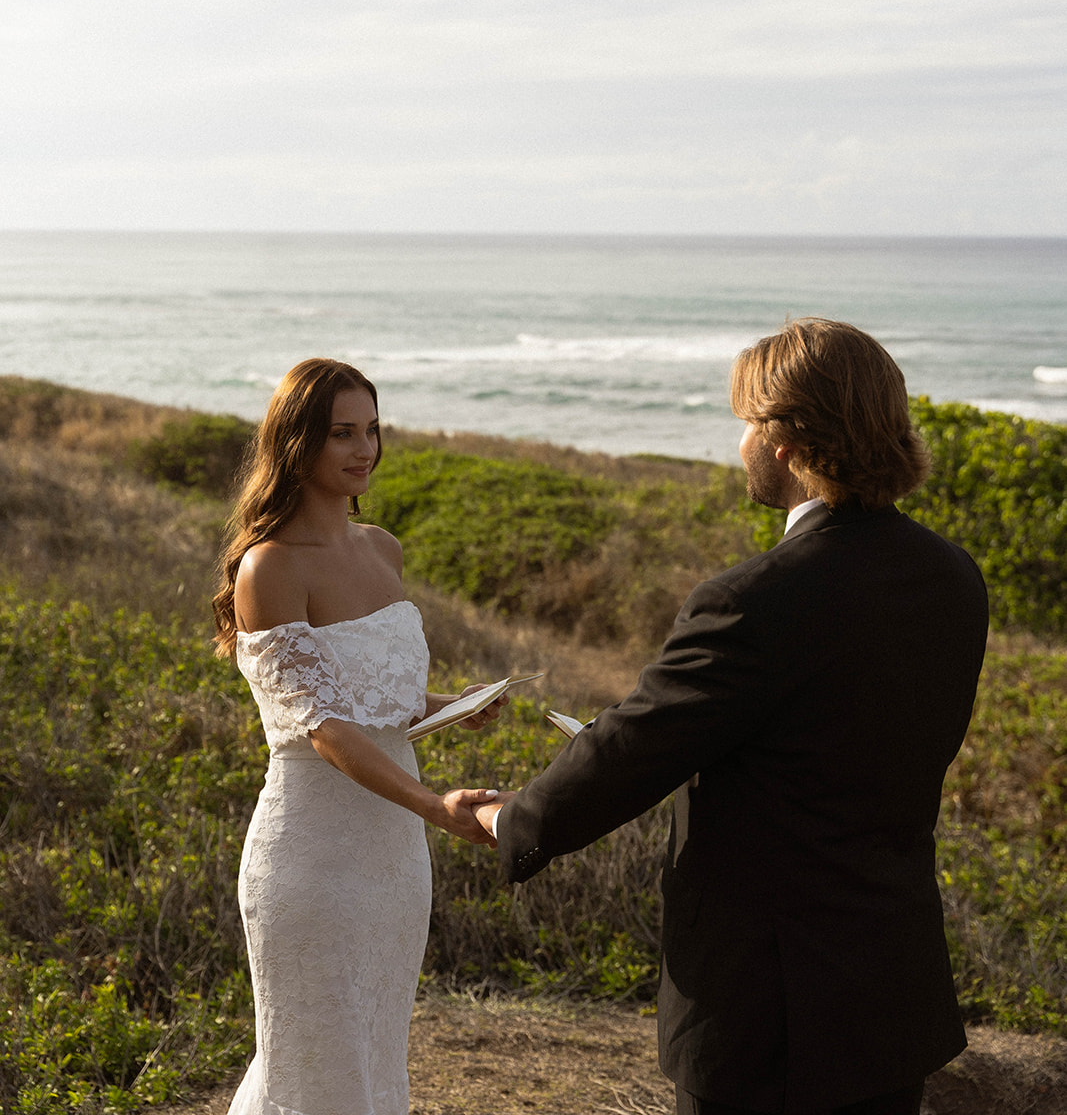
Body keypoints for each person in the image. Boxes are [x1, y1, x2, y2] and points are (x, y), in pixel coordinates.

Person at [475, 318, 988, 1115]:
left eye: (746, 422)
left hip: (768, 1008)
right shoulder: (952, 577)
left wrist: (515, 818)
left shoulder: (755, 598)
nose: (739, 441)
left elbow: (636, 745)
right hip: (890, 994)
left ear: (786, 440)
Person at [213, 357, 499, 1115]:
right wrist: (436, 806)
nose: (363, 447)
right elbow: (326, 728)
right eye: (341, 432)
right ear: (295, 441)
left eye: (371, 430)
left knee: (375, 1052)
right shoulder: (268, 568)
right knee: (313, 1064)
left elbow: (376, 702)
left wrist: (450, 705)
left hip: (394, 858)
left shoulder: (382, 549)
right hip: (311, 856)